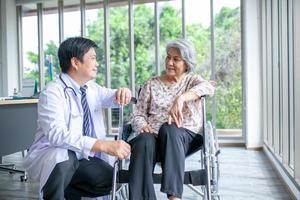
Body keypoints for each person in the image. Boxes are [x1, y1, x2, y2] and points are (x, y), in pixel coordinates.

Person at [23, 37, 132, 200]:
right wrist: (102, 145)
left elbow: (112, 96)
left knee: (111, 180)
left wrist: (123, 91)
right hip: (54, 156)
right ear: (75, 62)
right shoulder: (52, 92)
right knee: (65, 158)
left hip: (83, 156)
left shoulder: (91, 88)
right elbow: (57, 135)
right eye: (93, 58)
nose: (97, 64)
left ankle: (69, 193)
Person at [128, 39, 215, 200]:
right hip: (153, 138)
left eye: (176, 59)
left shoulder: (191, 81)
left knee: (170, 128)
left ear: (187, 63)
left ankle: (174, 197)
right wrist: (143, 125)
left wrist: (181, 98)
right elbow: (137, 114)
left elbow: (209, 88)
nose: (170, 62)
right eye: (168, 57)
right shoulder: (151, 84)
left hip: (183, 138)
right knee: (143, 141)